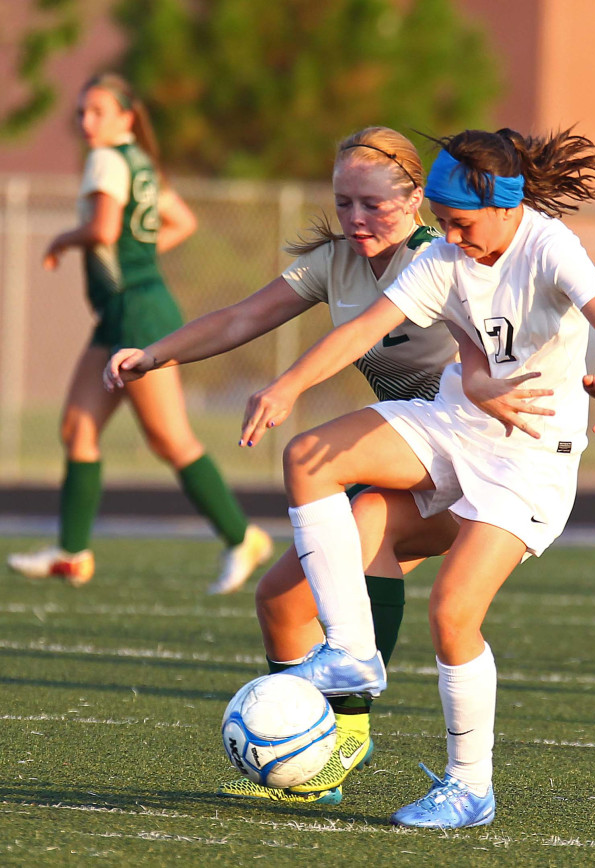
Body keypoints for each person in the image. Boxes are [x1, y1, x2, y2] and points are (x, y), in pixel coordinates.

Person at [113, 126, 595, 828]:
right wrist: (286, 385)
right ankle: (350, 661)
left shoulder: (544, 245)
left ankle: (466, 786)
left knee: (453, 609)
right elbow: (361, 333)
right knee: (308, 463)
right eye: (343, 202)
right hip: (451, 428)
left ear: (495, 206)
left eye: (457, 223)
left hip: (529, 456)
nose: (450, 238)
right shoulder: (438, 256)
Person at [106, 126, 479, 805]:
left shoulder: (445, 261)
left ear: (417, 198)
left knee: (369, 518)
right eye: (344, 203)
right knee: (280, 601)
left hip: (470, 460)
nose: (357, 219)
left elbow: (510, 338)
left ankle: (350, 732)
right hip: (397, 451)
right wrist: (153, 353)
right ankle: (310, 769)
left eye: (373, 203)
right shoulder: (336, 262)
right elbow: (240, 318)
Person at [6, 73, 271, 594]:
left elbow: (104, 230)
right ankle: (72, 553)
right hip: (121, 314)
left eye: (98, 112)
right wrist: (138, 260)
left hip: (138, 315)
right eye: (82, 112)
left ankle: (243, 538)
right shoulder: (139, 162)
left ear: (127, 117)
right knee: (77, 430)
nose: (87, 122)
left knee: (169, 439)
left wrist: (62, 239)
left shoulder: (107, 160)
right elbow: (181, 220)